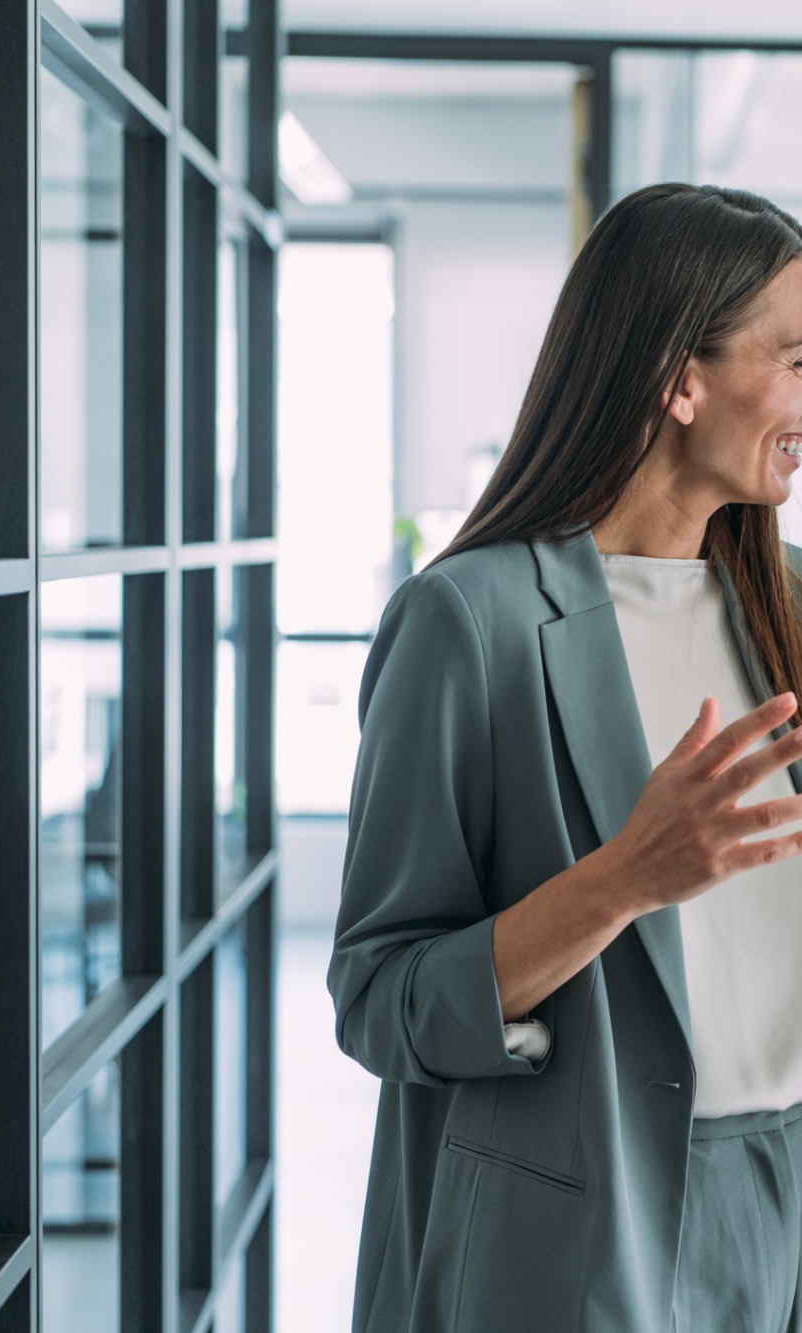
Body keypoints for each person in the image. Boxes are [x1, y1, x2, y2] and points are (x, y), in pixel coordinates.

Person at [328, 183, 802, 1333]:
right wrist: (624, 878)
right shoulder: (467, 623)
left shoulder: (787, 607)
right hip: (576, 1233)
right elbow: (382, 1002)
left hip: (781, 1200)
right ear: (678, 381)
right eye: (792, 357)